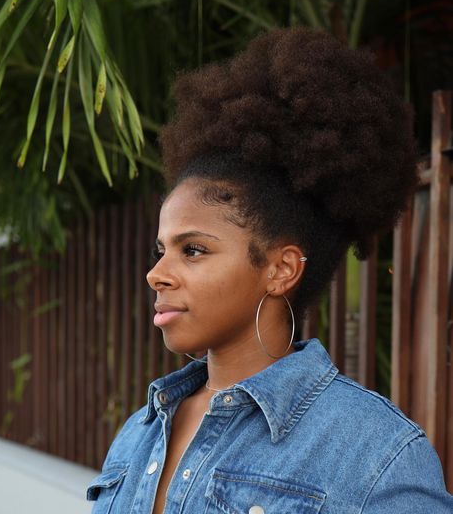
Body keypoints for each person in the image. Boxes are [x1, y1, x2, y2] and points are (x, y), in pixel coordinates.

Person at [87, 28, 453, 513]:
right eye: (161, 250)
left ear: (281, 269)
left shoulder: (378, 458)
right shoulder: (139, 434)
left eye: (193, 250)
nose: (157, 274)